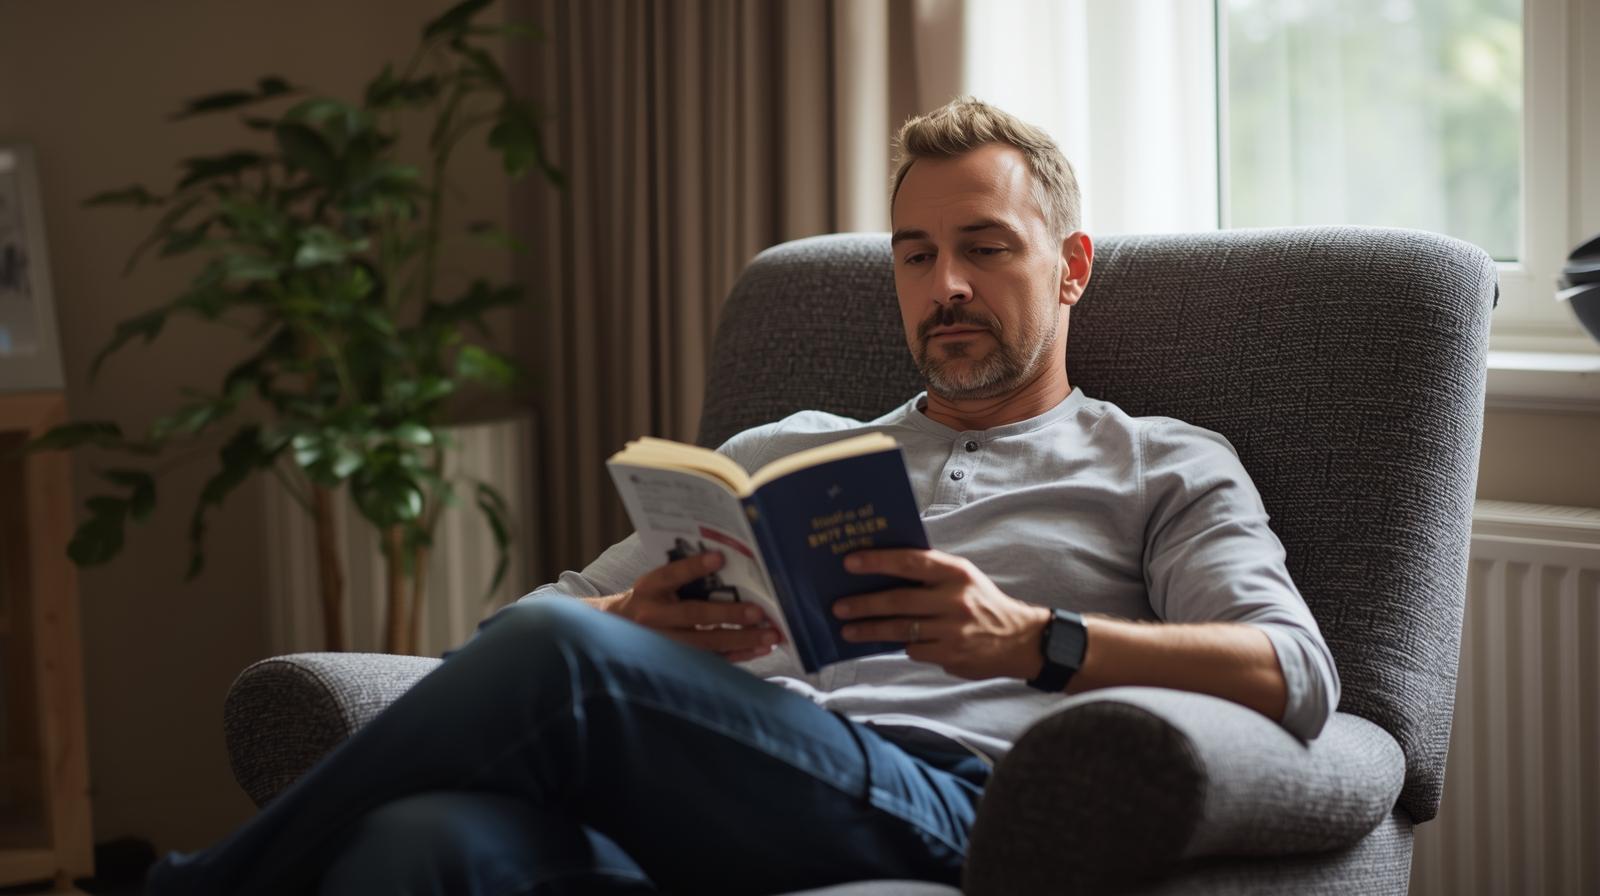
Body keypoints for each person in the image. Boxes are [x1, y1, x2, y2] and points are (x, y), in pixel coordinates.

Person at [146, 97, 1338, 895]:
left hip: (954, 800)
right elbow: (516, 638)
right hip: (714, 794)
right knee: (423, 840)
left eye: (986, 246)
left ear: (1070, 266)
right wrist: (634, 627)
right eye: (916, 255)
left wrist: (1032, 640)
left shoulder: (1161, 459)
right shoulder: (791, 448)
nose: (948, 285)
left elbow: (1294, 672)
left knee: (564, 652)